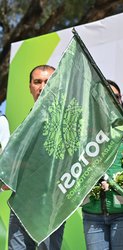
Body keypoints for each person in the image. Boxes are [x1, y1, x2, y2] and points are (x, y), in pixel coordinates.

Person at [81, 80, 123, 250]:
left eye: (116, 97)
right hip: (92, 214)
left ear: (121, 100)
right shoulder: (83, 134)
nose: (111, 102)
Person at [8, 65, 66, 249]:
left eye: (48, 82)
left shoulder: (70, 120)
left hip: (50, 206)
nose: (42, 87)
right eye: (37, 82)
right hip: (21, 203)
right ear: (30, 87)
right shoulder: (26, 122)